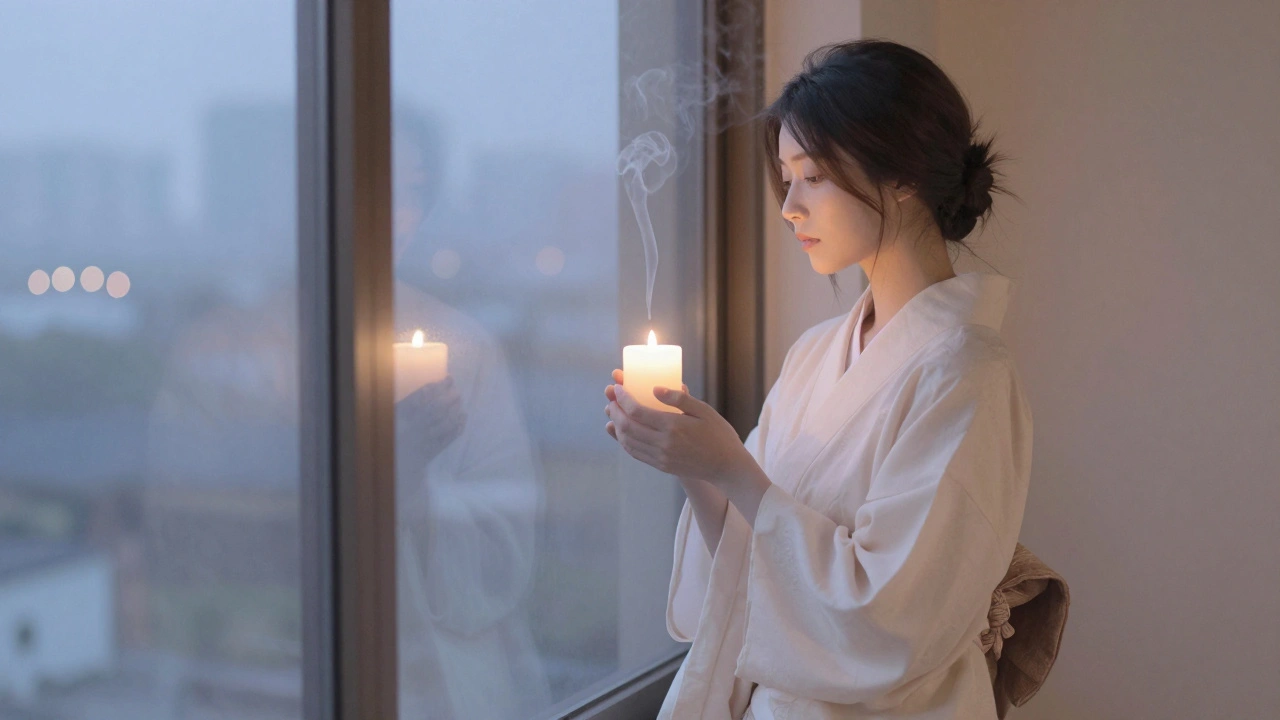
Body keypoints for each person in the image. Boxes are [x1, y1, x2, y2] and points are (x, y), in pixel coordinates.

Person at [604, 40, 1032, 719]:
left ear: (902, 176)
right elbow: (745, 562)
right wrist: (692, 461)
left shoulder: (968, 374)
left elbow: (886, 619)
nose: (788, 207)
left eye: (813, 176)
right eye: (786, 176)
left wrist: (732, 467)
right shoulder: (814, 354)